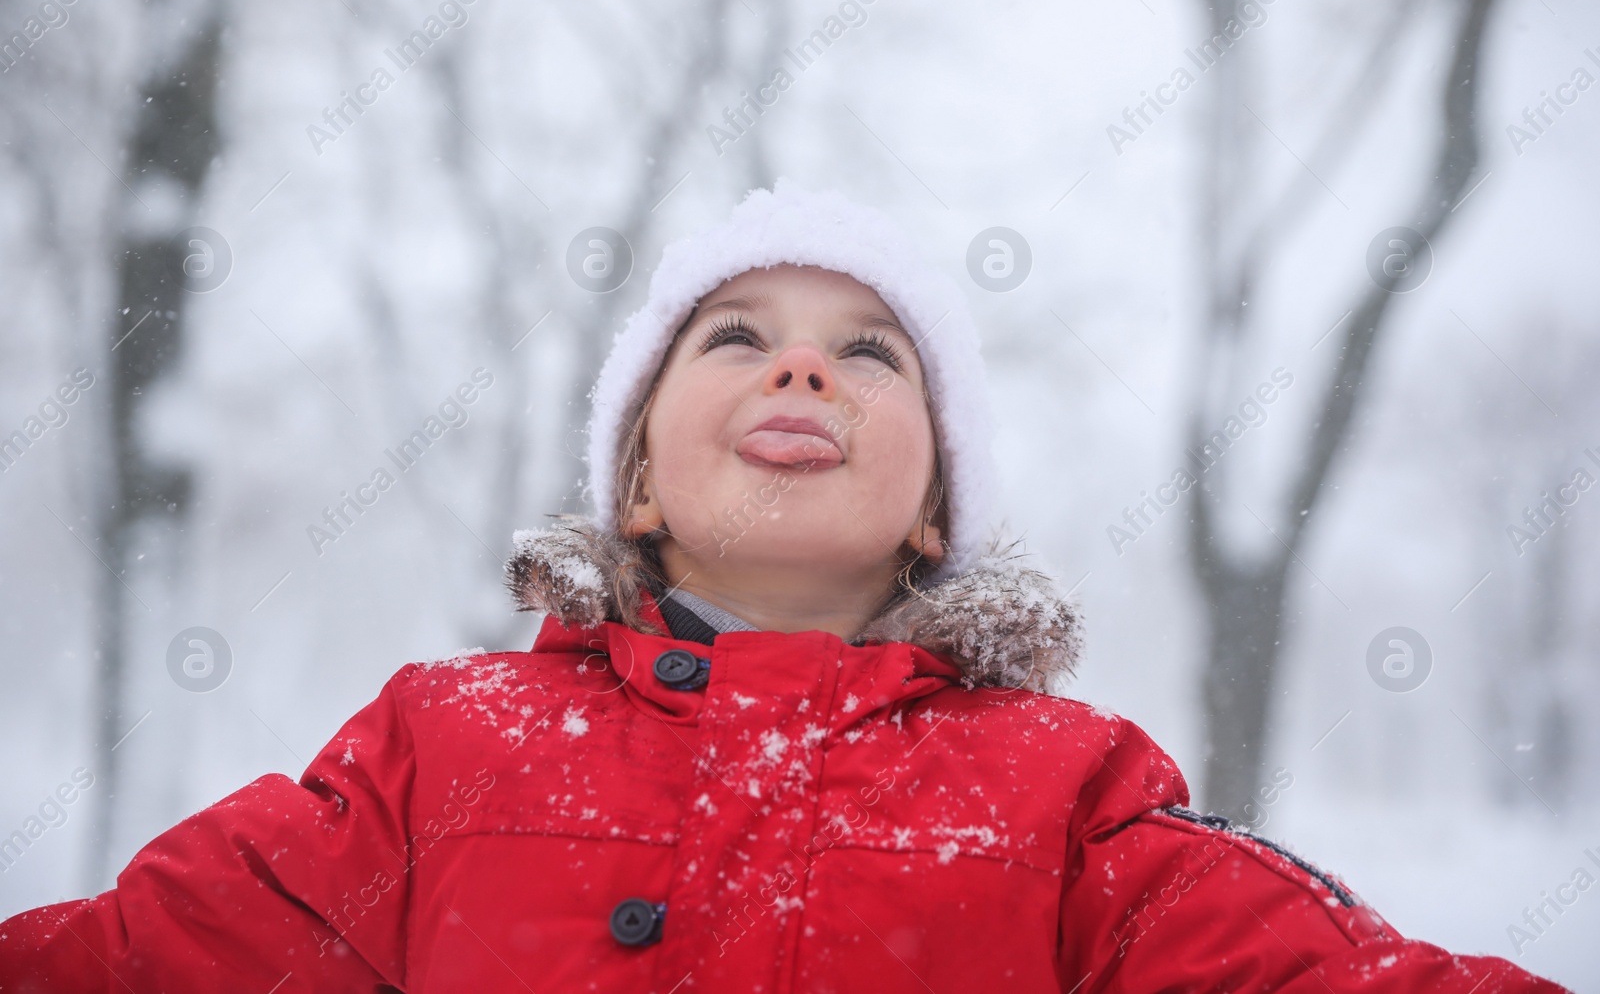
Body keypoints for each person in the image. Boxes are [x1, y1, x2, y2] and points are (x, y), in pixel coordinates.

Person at [0, 183, 1566, 992]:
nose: (803, 359)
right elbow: (144, 960)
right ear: (636, 482)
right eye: (736, 335)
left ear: (936, 509)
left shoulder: (1061, 789)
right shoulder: (444, 747)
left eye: (868, 351)